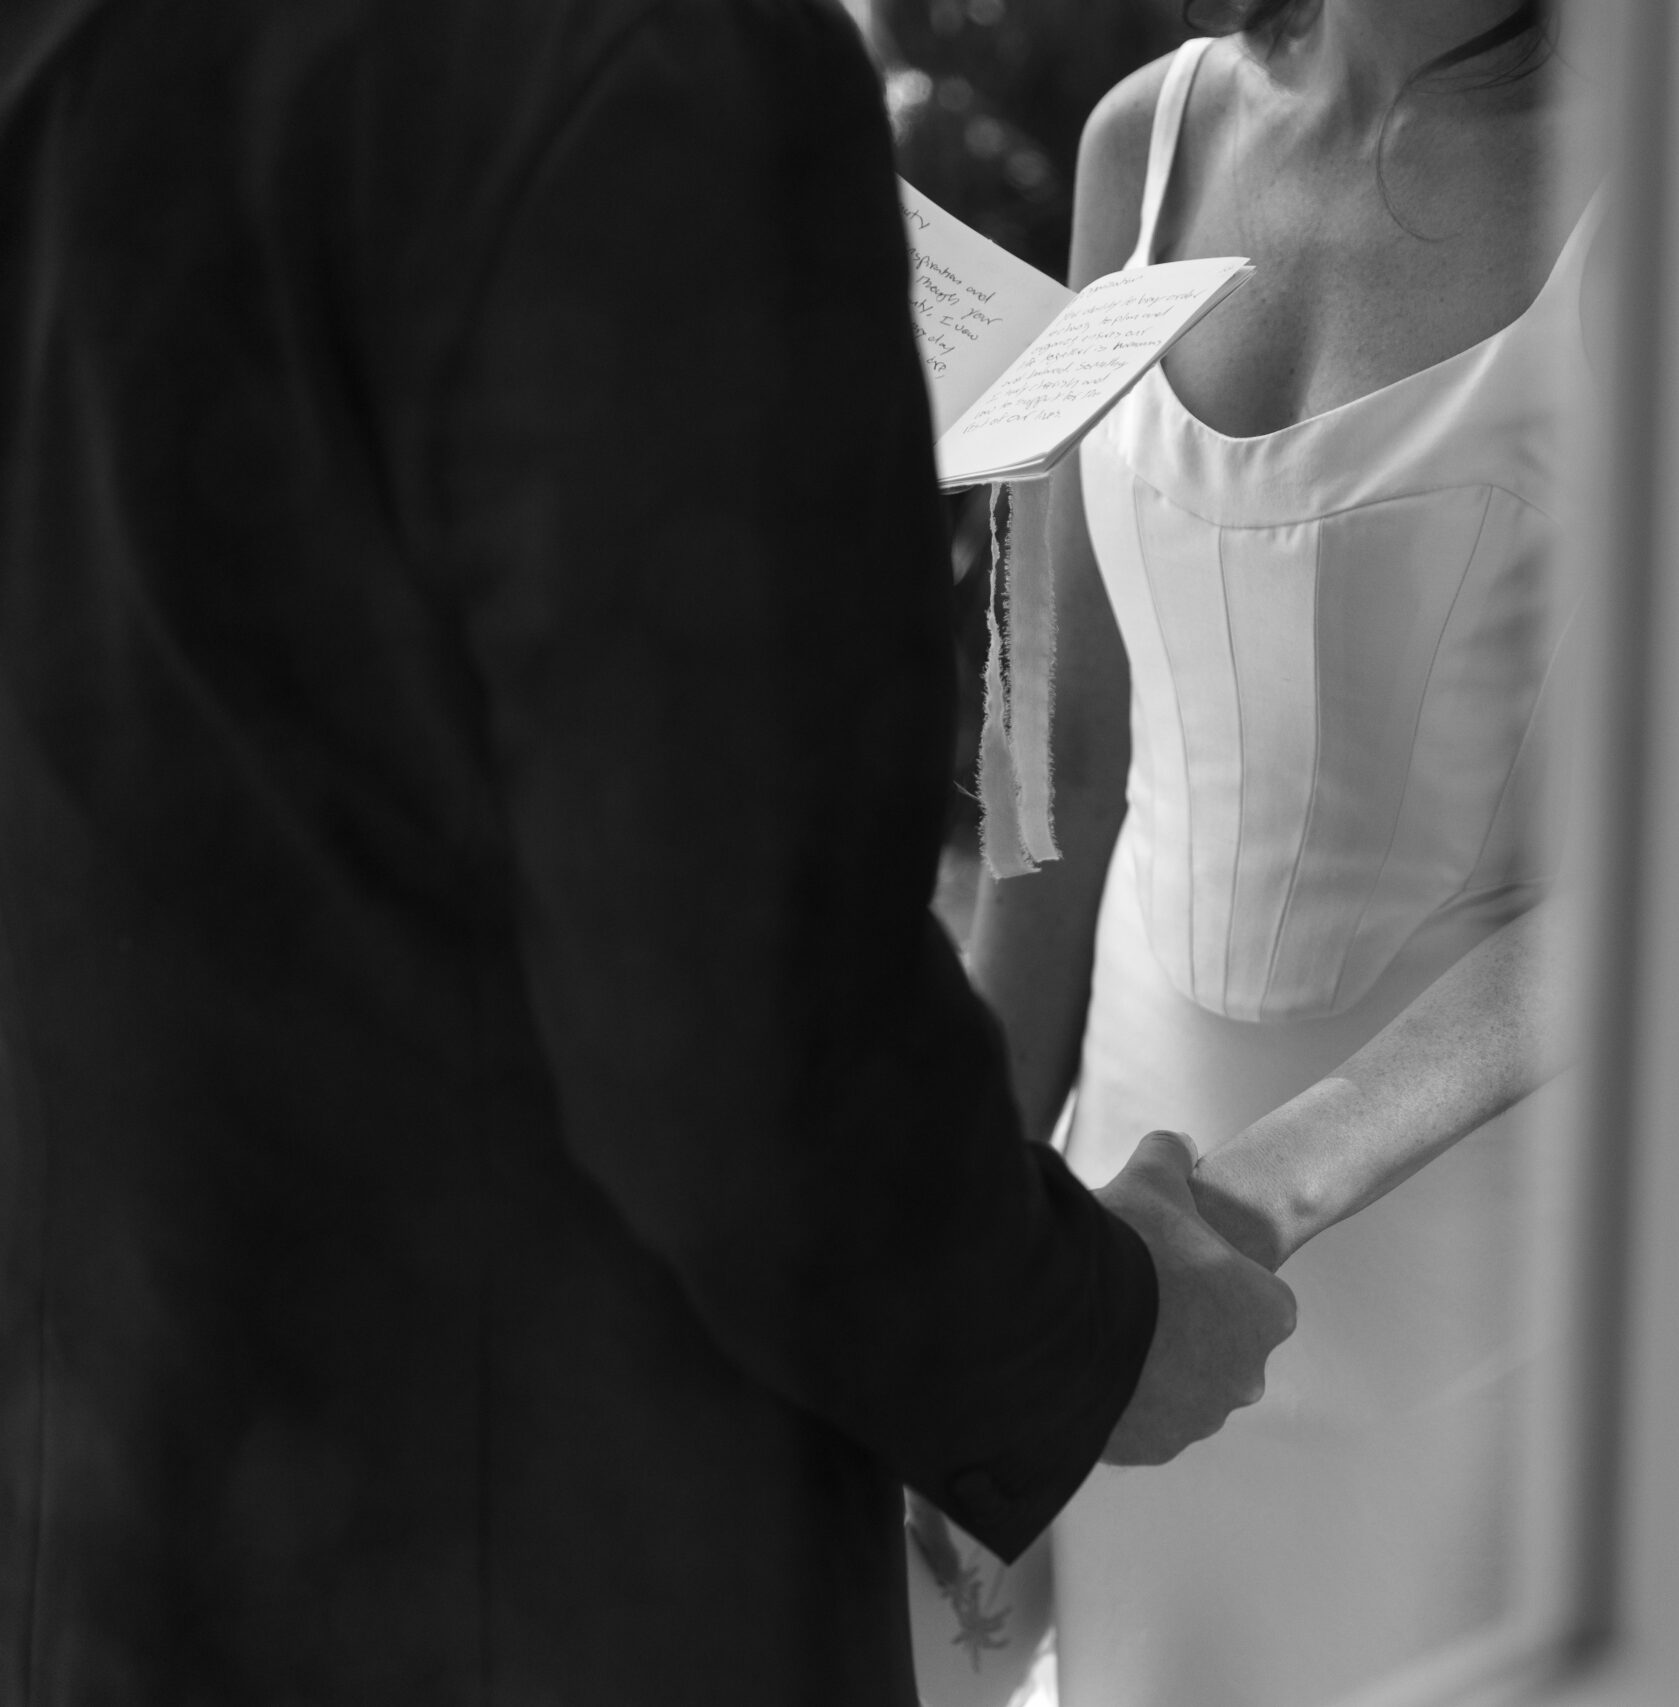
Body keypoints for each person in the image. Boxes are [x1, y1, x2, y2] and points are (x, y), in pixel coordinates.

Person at [0, 0, 1292, 1701]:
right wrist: (1088, 1334)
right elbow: (735, 1046)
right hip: (531, 1559)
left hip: (122, 1493)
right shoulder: (660, 67)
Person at [965, 1, 1594, 1700]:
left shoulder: (1670, 200)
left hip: (1448, 1286)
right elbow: (1049, 758)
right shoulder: (1135, 149)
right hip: (1112, 1231)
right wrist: (974, 1267)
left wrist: (1249, 1203)